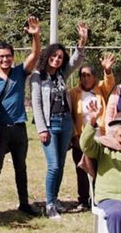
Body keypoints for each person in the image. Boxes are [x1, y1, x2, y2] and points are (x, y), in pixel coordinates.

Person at [0, 17, 42, 216]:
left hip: (19, 128)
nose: (5, 59)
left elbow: (36, 53)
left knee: (20, 168)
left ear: (12, 57)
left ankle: (23, 203)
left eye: (8, 56)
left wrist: (35, 36)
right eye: (1, 57)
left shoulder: (19, 72)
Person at [30, 22, 87, 219]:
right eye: (54, 56)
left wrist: (82, 40)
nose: (56, 59)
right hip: (50, 125)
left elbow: (76, 60)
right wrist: (41, 128)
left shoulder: (62, 74)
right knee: (53, 165)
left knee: (61, 164)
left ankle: (54, 199)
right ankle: (48, 204)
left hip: (65, 123)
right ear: (47, 57)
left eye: (60, 57)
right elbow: (36, 103)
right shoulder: (38, 77)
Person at [68, 49, 116, 213]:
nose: (86, 78)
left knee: (100, 169)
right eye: (83, 75)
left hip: (100, 137)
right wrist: (75, 134)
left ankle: (99, 197)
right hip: (82, 138)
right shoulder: (74, 93)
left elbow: (109, 83)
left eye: (89, 75)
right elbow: (71, 115)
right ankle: (83, 200)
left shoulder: (100, 89)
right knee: (81, 169)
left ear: (94, 77)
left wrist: (107, 70)